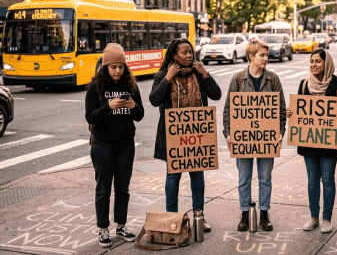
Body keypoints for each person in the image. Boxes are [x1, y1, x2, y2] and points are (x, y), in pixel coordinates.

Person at [149, 38, 221, 232]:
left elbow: (216, 95)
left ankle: (199, 215)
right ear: (174, 55)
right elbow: (154, 100)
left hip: (196, 134)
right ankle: (172, 217)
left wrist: (205, 74)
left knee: (197, 176)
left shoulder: (198, 74)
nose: (189, 55)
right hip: (173, 137)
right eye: (184, 52)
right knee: (173, 177)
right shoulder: (163, 74)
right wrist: (168, 78)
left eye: (191, 52)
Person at [85, 43, 145, 248]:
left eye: (121, 66)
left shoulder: (131, 85)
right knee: (103, 188)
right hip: (102, 144)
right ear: (105, 67)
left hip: (126, 143)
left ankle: (121, 225)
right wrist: (108, 107)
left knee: (123, 187)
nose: (118, 71)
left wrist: (133, 106)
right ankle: (103, 229)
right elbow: (89, 115)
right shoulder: (96, 86)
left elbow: (140, 115)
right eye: (113, 67)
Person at [223, 38, 287, 232]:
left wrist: (280, 133)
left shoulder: (273, 79)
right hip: (243, 139)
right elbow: (228, 110)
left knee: (265, 177)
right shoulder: (238, 79)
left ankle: (264, 213)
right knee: (244, 177)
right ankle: (244, 213)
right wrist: (228, 134)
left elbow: (281, 110)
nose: (266, 58)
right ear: (251, 56)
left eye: (267, 55)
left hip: (267, 139)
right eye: (262, 55)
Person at [286, 49, 337, 233]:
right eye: (311, 61)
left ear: (326, 63)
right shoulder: (304, 84)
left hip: (329, 142)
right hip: (309, 142)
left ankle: (327, 219)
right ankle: (313, 217)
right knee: (312, 181)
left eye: (318, 61)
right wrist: (291, 113)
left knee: (328, 180)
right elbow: (299, 110)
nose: (314, 64)